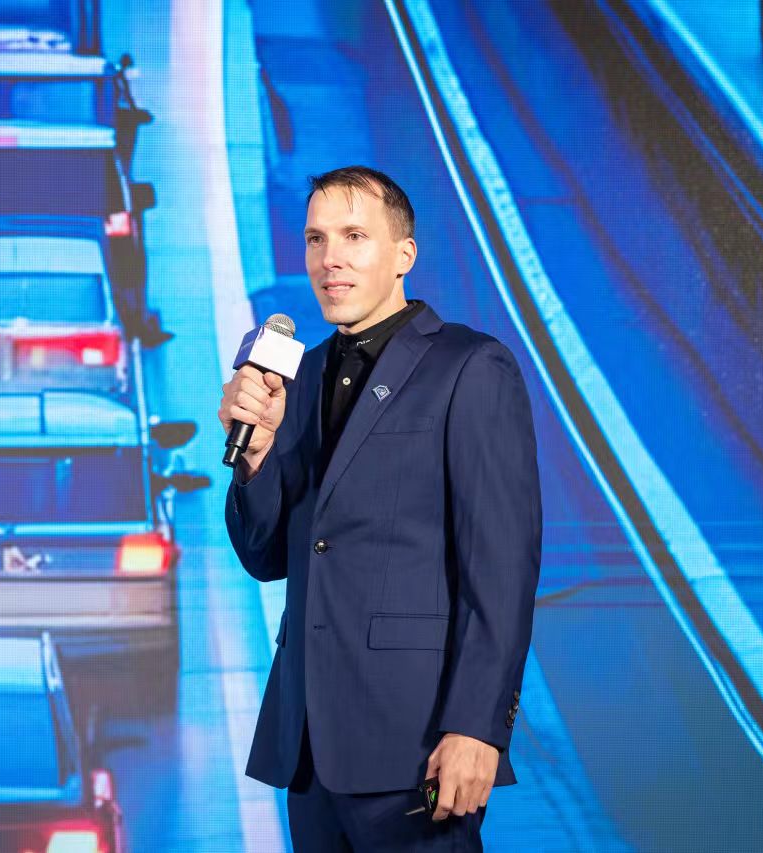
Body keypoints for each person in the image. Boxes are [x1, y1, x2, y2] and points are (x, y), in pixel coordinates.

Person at [219, 166, 542, 851]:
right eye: (315, 238)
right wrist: (256, 456)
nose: (329, 257)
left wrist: (478, 726)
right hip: (309, 745)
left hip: (415, 743)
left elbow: (502, 571)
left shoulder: (469, 366)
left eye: (353, 236)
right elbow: (266, 555)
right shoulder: (299, 375)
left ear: (403, 254)